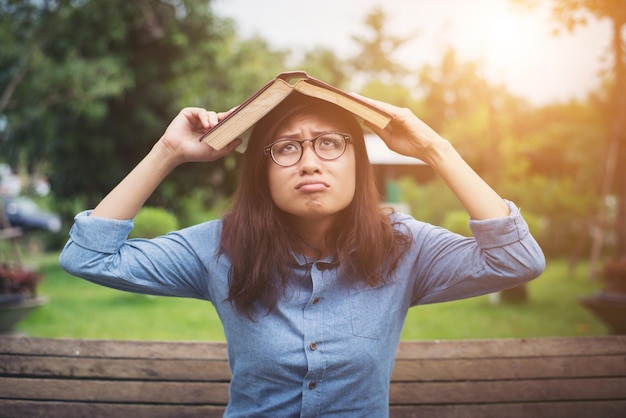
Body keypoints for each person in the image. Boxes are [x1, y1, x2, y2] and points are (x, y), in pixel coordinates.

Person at [59, 88, 545, 417]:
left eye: (330, 144)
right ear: (262, 172)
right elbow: (89, 257)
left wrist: (435, 148)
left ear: (358, 161)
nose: (310, 161)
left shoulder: (403, 245)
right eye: (286, 148)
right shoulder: (219, 247)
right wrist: (168, 151)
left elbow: (518, 260)